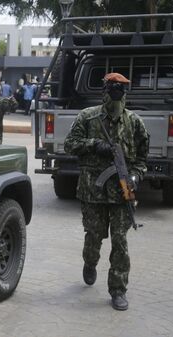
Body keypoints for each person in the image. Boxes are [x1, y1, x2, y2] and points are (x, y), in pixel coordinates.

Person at [64, 72, 149, 311]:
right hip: (93, 191)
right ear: (105, 90)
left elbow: (143, 158)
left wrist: (135, 176)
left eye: (121, 88)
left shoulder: (134, 123)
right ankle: (90, 263)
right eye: (113, 87)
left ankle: (118, 290)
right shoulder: (88, 117)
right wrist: (94, 145)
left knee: (120, 242)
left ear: (126, 92)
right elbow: (70, 144)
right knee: (94, 237)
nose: (117, 92)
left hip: (122, 194)